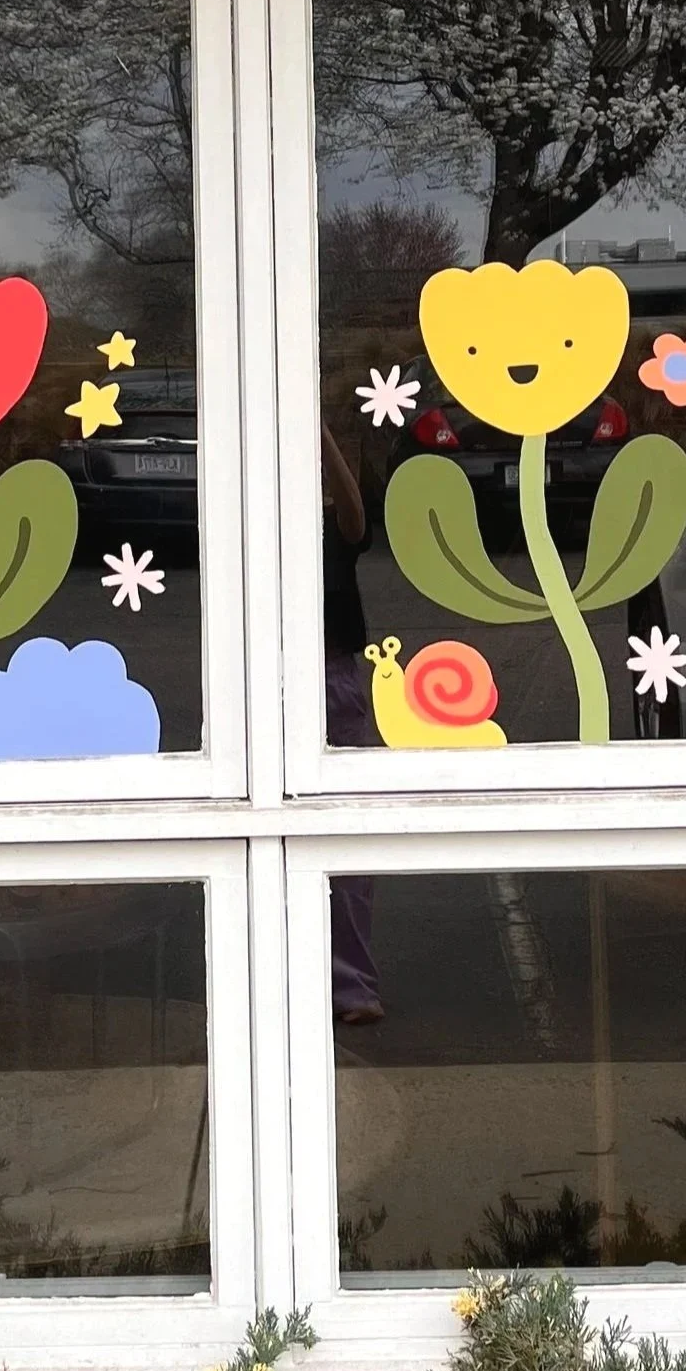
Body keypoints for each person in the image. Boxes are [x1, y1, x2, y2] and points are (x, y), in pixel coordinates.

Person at [322, 423, 384, 1023]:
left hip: (336, 673)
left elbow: (355, 516)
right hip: (273, 679)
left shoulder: (328, 531)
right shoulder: (256, 526)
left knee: (347, 835)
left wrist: (322, 436)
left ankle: (352, 987)